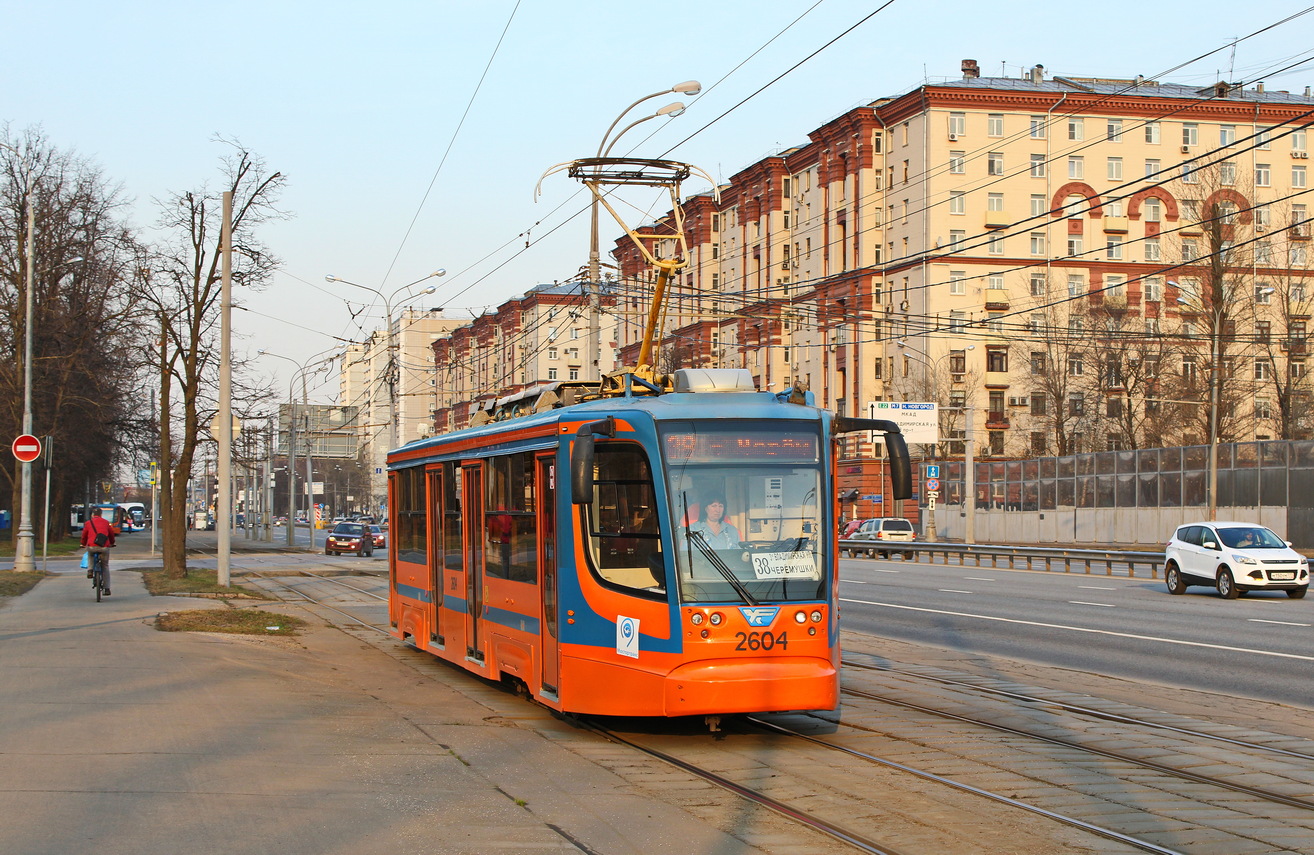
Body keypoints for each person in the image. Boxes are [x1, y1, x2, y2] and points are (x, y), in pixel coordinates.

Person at [81, 507, 117, 595]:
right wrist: (112, 543)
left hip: (92, 546)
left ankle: (90, 570)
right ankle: (107, 588)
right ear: (101, 514)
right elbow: (111, 534)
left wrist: (83, 544)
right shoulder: (106, 522)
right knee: (105, 566)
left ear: (92, 515)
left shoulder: (88, 523)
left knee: (90, 555)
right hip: (104, 547)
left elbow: (84, 535)